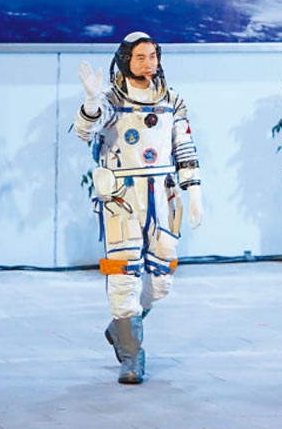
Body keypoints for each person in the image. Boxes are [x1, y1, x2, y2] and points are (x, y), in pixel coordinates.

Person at [73, 31, 204, 384]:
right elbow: (85, 131)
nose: (148, 63)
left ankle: (121, 327)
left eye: (152, 56)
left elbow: (184, 147)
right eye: (140, 57)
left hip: (162, 197)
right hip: (123, 199)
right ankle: (132, 355)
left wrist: (194, 191)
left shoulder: (172, 100)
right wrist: (90, 101)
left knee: (160, 282)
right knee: (123, 276)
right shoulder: (110, 100)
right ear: (125, 60)